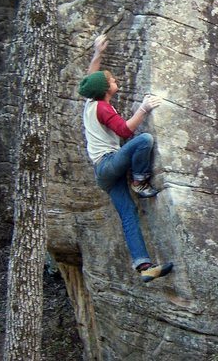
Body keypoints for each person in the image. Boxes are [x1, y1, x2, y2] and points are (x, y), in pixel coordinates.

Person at [78, 34, 173, 283]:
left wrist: (98, 53)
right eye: (111, 79)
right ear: (105, 89)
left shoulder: (91, 101)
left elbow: (89, 79)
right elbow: (125, 131)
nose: (114, 79)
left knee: (128, 213)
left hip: (105, 173)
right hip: (110, 163)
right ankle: (140, 181)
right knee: (144, 141)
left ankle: (144, 266)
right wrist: (144, 108)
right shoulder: (103, 107)